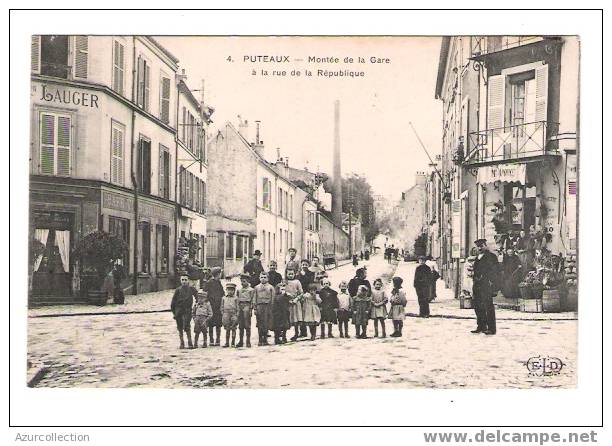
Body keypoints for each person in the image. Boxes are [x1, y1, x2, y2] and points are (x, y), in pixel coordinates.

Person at [471, 239, 499, 335]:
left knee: (488, 306)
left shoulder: (491, 257)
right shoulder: (477, 258)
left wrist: (493, 284)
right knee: (478, 306)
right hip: (477, 284)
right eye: (478, 246)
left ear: (486, 245)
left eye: (481, 246)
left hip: (486, 284)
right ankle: (481, 326)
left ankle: (491, 328)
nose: (480, 248)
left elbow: (495, 271)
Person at [170, 275, 198, 349]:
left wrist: (197, 303)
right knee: (180, 327)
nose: (184, 282)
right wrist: (174, 312)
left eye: (185, 280)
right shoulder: (178, 290)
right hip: (179, 310)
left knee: (187, 325)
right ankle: (182, 343)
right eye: (182, 280)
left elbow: (197, 296)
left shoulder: (191, 289)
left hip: (187, 310)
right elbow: (173, 302)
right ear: (180, 281)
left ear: (188, 280)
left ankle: (190, 343)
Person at [203, 267, 224, 346]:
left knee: (218, 324)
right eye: (220, 274)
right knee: (211, 324)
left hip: (218, 306)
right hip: (211, 306)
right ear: (218, 274)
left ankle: (217, 339)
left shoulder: (219, 282)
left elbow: (222, 293)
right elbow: (205, 293)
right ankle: (212, 339)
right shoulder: (209, 283)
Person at [254, 272, 275, 346]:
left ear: (268, 278)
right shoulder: (256, 287)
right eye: (261, 277)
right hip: (259, 306)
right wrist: (255, 308)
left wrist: (271, 308)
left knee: (266, 323)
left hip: (267, 306)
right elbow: (255, 298)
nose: (263, 279)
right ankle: (260, 339)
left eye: (265, 277)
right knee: (259, 323)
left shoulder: (271, 287)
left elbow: (273, 298)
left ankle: (265, 339)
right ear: (259, 278)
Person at [285, 269, 304, 341]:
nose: (290, 275)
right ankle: (284, 335)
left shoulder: (297, 282)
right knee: (288, 318)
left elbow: (301, 292)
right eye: (289, 274)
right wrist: (287, 297)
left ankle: (296, 333)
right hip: (288, 302)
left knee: (296, 318)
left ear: (294, 274)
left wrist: (296, 299)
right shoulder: (285, 282)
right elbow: (282, 290)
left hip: (296, 302)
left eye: (291, 274)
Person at [236, 274, 254, 348]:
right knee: (241, 325)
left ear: (248, 281)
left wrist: (251, 308)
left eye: (244, 281)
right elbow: (237, 300)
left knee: (247, 325)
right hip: (240, 306)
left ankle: (248, 341)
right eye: (241, 281)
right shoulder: (239, 290)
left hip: (247, 306)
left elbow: (252, 300)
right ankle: (241, 341)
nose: (242, 283)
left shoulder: (251, 290)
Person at [221, 282, 239, 347]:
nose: (230, 291)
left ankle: (233, 342)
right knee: (227, 329)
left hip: (233, 314)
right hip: (226, 314)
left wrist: (236, 315)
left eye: (232, 290)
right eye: (229, 290)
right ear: (226, 290)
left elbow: (238, 308)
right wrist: (223, 314)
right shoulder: (224, 298)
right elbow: (222, 307)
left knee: (233, 328)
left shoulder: (236, 298)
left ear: (234, 290)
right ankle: (227, 342)